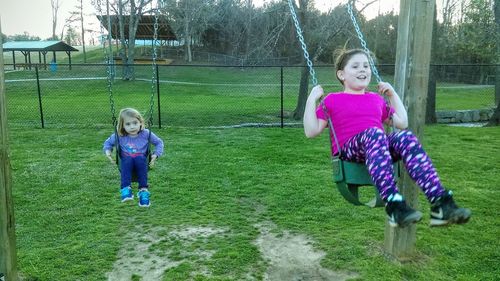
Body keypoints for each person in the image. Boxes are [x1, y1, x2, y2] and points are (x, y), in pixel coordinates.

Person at [303, 48, 471, 227]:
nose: (363, 70)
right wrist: (311, 99)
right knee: (375, 133)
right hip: (349, 150)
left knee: (405, 137)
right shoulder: (332, 100)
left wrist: (392, 95)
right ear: (341, 74)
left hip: (377, 148)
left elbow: (402, 122)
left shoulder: (376, 99)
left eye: (366, 66)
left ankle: (440, 203)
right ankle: (394, 205)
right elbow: (311, 131)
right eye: (356, 66)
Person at [103, 108, 164, 207]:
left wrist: (155, 154)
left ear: (140, 122)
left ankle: (143, 191)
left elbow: (159, 142)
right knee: (128, 159)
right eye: (128, 124)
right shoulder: (119, 136)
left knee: (140, 158)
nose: (132, 127)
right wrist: (108, 152)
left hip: (141, 162)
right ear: (122, 126)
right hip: (126, 163)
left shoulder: (146, 133)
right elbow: (108, 143)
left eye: (135, 123)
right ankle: (126, 189)